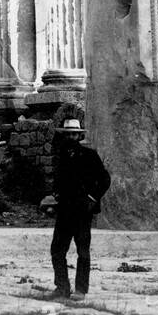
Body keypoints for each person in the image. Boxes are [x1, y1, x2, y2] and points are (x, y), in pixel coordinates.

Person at [47, 111, 111, 300]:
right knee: (57, 250)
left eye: (74, 134)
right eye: (67, 134)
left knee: (82, 251)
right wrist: (54, 198)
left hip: (83, 211)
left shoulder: (90, 155)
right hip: (65, 210)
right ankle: (62, 288)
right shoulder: (61, 156)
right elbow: (58, 182)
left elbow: (105, 179)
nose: (70, 137)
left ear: (79, 136)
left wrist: (92, 198)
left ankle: (81, 290)